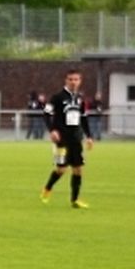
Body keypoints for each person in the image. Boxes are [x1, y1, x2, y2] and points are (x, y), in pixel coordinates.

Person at [39, 67, 94, 209]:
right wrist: (52, 130)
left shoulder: (80, 99)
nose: (73, 82)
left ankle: (75, 200)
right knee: (61, 169)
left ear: (80, 81)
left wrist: (89, 136)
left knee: (78, 169)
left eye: (76, 79)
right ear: (66, 80)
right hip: (61, 139)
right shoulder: (57, 97)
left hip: (76, 138)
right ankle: (47, 188)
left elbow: (84, 118)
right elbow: (46, 114)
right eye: (71, 79)